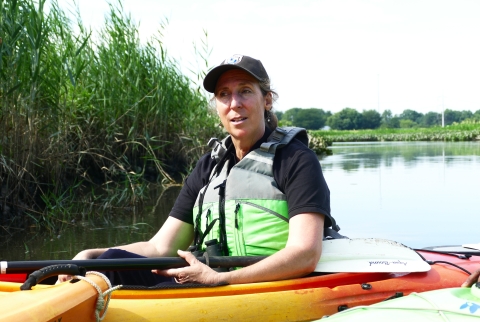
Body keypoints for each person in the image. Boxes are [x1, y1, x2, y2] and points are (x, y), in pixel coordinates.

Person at [58, 54, 335, 286]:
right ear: (216, 106)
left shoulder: (296, 160)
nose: (234, 103)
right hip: (208, 281)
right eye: (224, 95)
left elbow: (305, 253)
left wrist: (222, 280)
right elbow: (160, 248)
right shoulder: (210, 165)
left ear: (267, 100)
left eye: (245, 91)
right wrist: (90, 256)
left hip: (264, 286)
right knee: (107, 263)